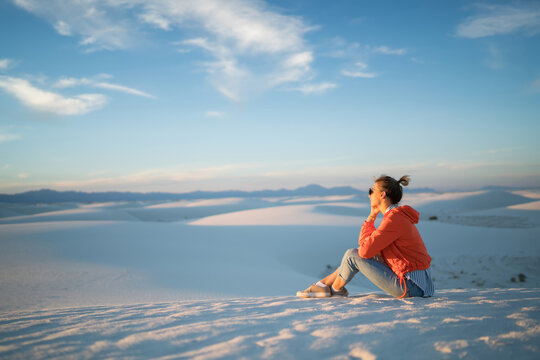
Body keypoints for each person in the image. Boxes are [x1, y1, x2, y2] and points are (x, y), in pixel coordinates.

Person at [297, 175, 434, 299]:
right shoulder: (396, 216)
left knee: (352, 255)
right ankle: (322, 286)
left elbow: (364, 251)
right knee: (355, 255)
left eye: (371, 191)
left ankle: (334, 291)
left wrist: (370, 219)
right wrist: (372, 216)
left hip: (412, 286)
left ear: (382, 195)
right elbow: (365, 247)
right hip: (417, 285)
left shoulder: (394, 219)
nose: (369, 195)